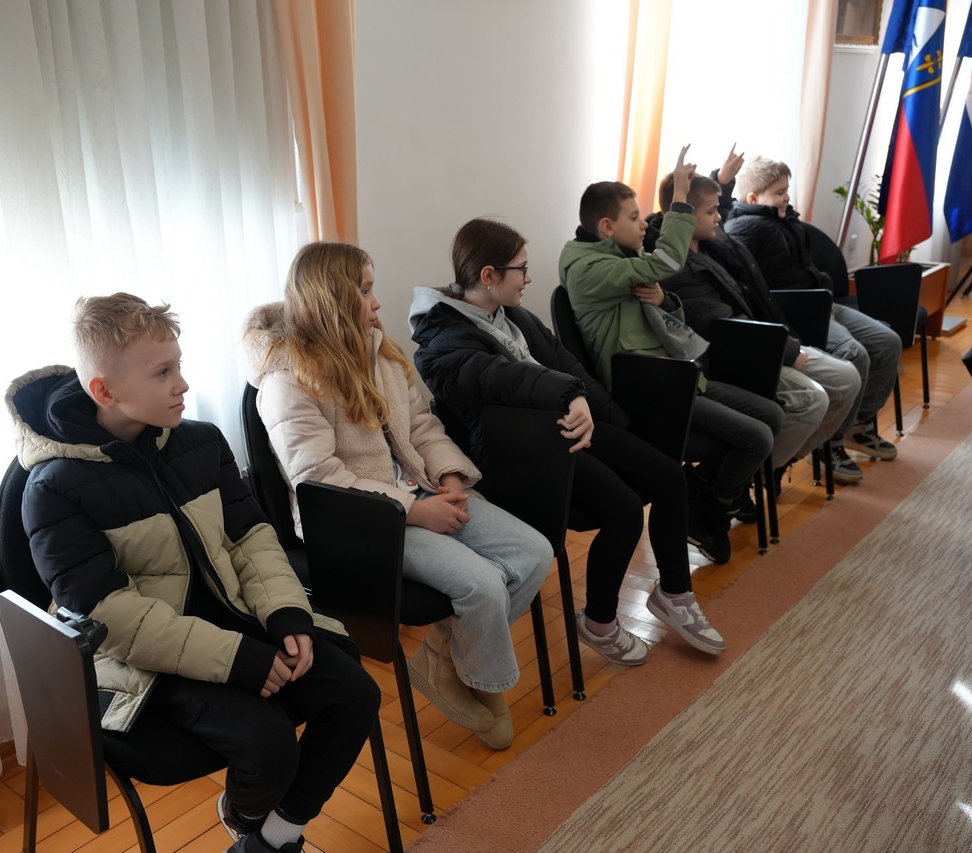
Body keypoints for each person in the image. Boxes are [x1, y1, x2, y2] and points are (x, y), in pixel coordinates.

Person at [8, 293, 380, 853]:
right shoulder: (53, 489)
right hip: (141, 661)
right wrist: (237, 658)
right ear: (104, 391)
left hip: (232, 618)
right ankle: (254, 823)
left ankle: (268, 839)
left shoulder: (200, 442)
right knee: (269, 744)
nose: (182, 384)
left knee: (355, 694)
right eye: (162, 373)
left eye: (178, 365)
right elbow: (110, 617)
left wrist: (285, 613)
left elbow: (251, 538)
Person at [243, 242, 553, 751]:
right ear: (331, 298)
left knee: (535, 552)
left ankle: (444, 658)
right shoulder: (287, 379)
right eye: (365, 290)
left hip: (418, 490)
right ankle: (482, 680)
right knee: (483, 585)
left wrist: (449, 476)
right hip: (362, 521)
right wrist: (413, 510)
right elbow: (317, 478)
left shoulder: (378, 350)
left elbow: (423, 427)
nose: (377, 302)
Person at [408, 217, 726, 662]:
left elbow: (567, 365)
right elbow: (503, 378)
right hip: (520, 455)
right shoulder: (441, 339)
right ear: (489, 275)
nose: (529, 277)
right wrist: (570, 394)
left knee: (669, 478)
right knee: (624, 511)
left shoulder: (513, 315)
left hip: (564, 427)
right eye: (521, 268)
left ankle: (674, 592)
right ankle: (599, 623)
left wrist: (614, 422)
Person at [559, 147, 783, 562]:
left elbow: (667, 319)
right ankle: (710, 509)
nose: (644, 224)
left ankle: (703, 499)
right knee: (757, 437)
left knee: (771, 414)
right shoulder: (589, 270)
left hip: (677, 375)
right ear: (607, 227)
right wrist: (680, 197)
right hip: (651, 389)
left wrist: (664, 300)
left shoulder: (620, 256)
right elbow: (667, 260)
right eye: (634, 217)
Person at [648, 172, 864, 481]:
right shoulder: (675, 266)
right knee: (813, 400)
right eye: (711, 212)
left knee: (847, 378)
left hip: (762, 338)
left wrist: (722, 178)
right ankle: (747, 476)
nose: (719, 217)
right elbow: (720, 325)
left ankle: (776, 463)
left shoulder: (711, 241)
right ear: (685, 216)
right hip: (737, 355)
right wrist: (788, 352)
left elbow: (722, 206)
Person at [723, 155, 902, 478]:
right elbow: (748, 287)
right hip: (796, 310)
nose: (786, 198)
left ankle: (858, 425)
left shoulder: (786, 220)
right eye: (779, 192)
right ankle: (830, 444)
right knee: (853, 353)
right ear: (753, 198)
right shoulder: (743, 229)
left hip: (821, 301)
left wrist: (822, 283)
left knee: (887, 341)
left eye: (787, 190)